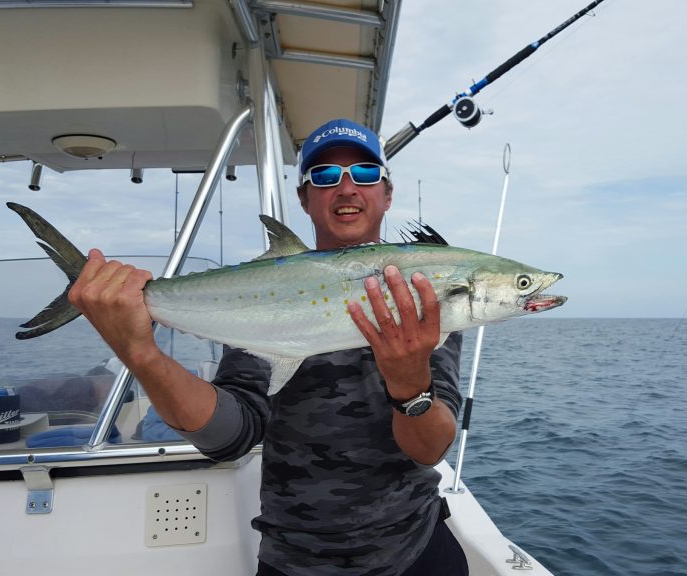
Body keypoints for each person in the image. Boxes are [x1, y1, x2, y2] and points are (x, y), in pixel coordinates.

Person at [67, 118, 470, 575]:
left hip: (414, 553)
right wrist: (140, 353)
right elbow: (230, 436)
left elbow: (430, 448)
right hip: (294, 562)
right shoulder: (268, 296)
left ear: (386, 193)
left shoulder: (423, 298)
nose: (346, 188)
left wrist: (408, 383)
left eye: (363, 174)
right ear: (304, 197)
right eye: (323, 176)